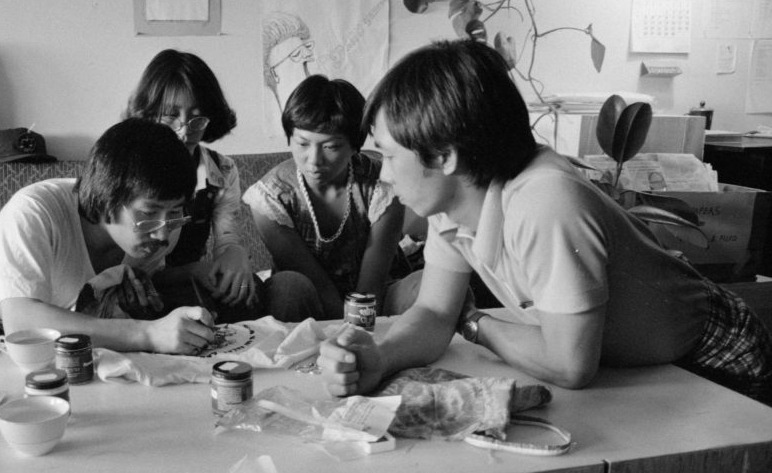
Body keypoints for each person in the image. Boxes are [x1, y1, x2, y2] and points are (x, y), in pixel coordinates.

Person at [319, 39, 772, 400]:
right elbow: (436, 312)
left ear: (445, 156)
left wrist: (474, 322)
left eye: (389, 155)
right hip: (639, 367)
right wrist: (379, 355)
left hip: (711, 353)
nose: (384, 172)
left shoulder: (546, 199)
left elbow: (569, 364)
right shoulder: (453, 202)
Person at [0, 118, 215, 354]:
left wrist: (197, 274)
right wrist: (148, 334)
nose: (163, 231)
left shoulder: (161, 232)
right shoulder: (37, 209)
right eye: (149, 214)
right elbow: (20, 322)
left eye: (175, 213)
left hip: (67, 339)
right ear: (109, 198)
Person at [243, 74, 419, 322]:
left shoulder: (383, 182)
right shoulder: (270, 197)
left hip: (378, 294)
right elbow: (309, 277)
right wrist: (340, 334)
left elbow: (373, 280)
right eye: (302, 143)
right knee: (288, 286)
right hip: (311, 300)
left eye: (331, 147)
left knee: (423, 286)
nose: (314, 160)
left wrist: (356, 334)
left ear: (354, 145)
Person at [124, 49, 260, 322]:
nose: (184, 130)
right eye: (170, 115)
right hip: (141, 289)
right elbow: (132, 271)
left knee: (280, 288)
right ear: (148, 114)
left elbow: (228, 237)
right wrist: (190, 271)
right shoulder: (127, 167)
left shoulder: (221, 170)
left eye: (197, 118)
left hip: (197, 280)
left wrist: (235, 254)